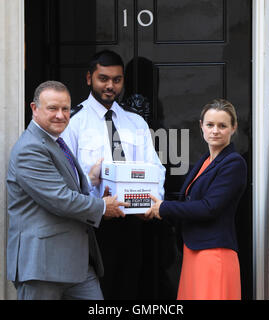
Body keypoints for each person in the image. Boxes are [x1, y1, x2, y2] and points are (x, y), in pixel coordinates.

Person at [6, 81, 129, 300]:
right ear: (34, 109)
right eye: (52, 108)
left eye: (65, 109)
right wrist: (102, 207)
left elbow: (62, 188)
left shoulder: (55, 142)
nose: (61, 115)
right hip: (42, 266)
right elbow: (60, 198)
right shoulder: (30, 148)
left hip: (78, 264)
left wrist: (90, 181)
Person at [62, 50, 166, 299]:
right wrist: (91, 181)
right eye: (103, 78)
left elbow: (155, 169)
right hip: (93, 224)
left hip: (133, 221)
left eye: (117, 80)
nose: (110, 86)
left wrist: (152, 204)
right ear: (89, 78)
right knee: (98, 293)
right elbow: (63, 179)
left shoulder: (136, 122)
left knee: (128, 288)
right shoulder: (73, 122)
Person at [145, 99, 247, 300]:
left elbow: (209, 207)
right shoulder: (205, 161)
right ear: (201, 126)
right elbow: (188, 203)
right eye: (210, 125)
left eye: (222, 125)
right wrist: (155, 210)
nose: (215, 131)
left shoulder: (234, 163)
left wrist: (164, 208)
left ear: (233, 128)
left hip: (215, 253)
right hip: (194, 251)